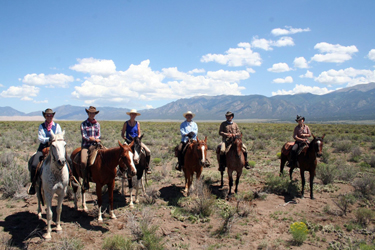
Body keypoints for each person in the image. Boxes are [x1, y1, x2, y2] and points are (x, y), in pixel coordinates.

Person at [28, 108, 62, 195]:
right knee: (34, 164)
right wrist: (48, 139)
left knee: (67, 160)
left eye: (51, 115)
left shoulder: (57, 126)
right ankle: (33, 184)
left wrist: (55, 140)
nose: (49, 117)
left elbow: (60, 136)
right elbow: (41, 138)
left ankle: (70, 180)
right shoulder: (41, 126)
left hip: (55, 148)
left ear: (53, 116)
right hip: (43, 148)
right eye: (47, 115)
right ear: (45, 116)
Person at [121, 109, 152, 174]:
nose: (133, 115)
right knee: (121, 152)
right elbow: (122, 133)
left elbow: (139, 133)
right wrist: (125, 138)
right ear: (130, 115)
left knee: (148, 151)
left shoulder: (137, 123)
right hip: (128, 141)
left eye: (134, 114)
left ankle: (147, 167)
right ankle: (121, 169)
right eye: (132, 114)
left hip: (136, 141)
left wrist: (138, 138)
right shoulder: (126, 123)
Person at [80, 106, 101, 190]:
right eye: (90, 113)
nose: (92, 114)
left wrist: (97, 139)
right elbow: (84, 135)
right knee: (83, 161)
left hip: (95, 145)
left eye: (93, 113)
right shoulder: (83, 124)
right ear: (88, 113)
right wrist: (90, 138)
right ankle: (85, 180)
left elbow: (99, 134)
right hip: (86, 145)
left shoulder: (97, 124)